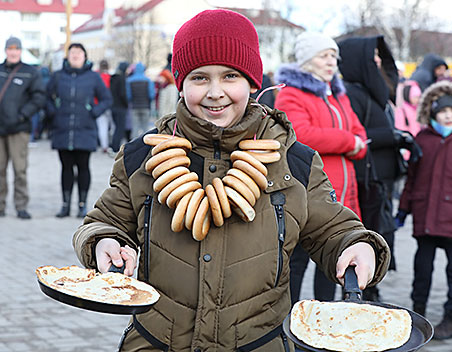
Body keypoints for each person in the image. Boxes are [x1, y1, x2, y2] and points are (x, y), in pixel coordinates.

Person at [73, 10, 390, 351]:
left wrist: (357, 245)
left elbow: (334, 229)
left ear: (253, 82)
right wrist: (102, 241)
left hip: (259, 343)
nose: (214, 92)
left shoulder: (295, 161)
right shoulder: (141, 156)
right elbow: (105, 222)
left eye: (230, 77)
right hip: (156, 342)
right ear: (181, 84)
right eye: (199, 78)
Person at [275, 32, 368, 304]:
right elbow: (301, 135)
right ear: (306, 60)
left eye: (333, 56)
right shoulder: (291, 93)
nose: (331, 62)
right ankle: (287, 323)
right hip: (308, 195)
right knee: (298, 264)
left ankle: (326, 324)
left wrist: (355, 143)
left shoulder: (338, 95)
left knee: (334, 265)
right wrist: (348, 141)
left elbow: (361, 137)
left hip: (343, 195)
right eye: (323, 56)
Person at [338, 35, 421, 301]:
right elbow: (359, 135)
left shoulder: (375, 93)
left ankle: (372, 289)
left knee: (380, 237)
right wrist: (395, 137)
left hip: (380, 179)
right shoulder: (352, 92)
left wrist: (400, 137)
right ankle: (358, 295)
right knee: (364, 240)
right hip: (364, 181)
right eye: (371, 56)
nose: (377, 60)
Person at [395, 80, 452, 340]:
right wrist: (403, 210)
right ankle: (418, 315)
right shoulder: (422, 139)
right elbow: (412, 179)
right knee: (422, 267)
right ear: (432, 112)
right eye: (442, 111)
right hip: (426, 213)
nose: (448, 115)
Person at [47, 43, 112, 218]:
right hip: (63, 129)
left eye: (79, 53)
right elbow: (46, 97)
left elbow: (106, 99)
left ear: (85, 56)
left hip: (85, 129)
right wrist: (53, 111)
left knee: (83, 167)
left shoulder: (93, 77)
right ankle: (65, 205)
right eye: (72, 53)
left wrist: (94, 112)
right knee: (66, 168)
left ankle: (82, 205)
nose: (75, 55)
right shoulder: (58, 76)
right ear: (67, 57)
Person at [0, 36, 45, 219]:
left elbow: (39, 97)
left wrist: (22, 115)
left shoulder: (30, 72)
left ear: (20, 51)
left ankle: (21, 206)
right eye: (10, 49)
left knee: (20, 169)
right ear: (5, 51)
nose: (13, 52)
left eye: (16, 49)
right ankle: (0, 205)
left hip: (19, 128)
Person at [126, 62, 155, 139]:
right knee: (145, 128)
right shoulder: (148, 80)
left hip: (134, 107)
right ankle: (145, 146)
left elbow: (128, 96)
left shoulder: (129, 81)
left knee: (135, 128)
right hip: (145, 106)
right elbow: (151, 95)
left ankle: (134, 147)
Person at [110, 61, 129, 154]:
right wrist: (126, 104)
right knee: (120, 128)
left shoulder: (113, 78)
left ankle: (114, 145)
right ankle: (115, 147)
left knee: (116, 127)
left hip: (113, 106)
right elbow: (122, 93)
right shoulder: (122, 79)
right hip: (120, 107)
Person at [95, 59, 113, 153]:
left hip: (99, 105)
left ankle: (104, 145)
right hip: (110, 105)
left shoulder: (97, 78)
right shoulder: (111, 78)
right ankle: (112, 144)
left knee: (102, 127)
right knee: (112, 126)